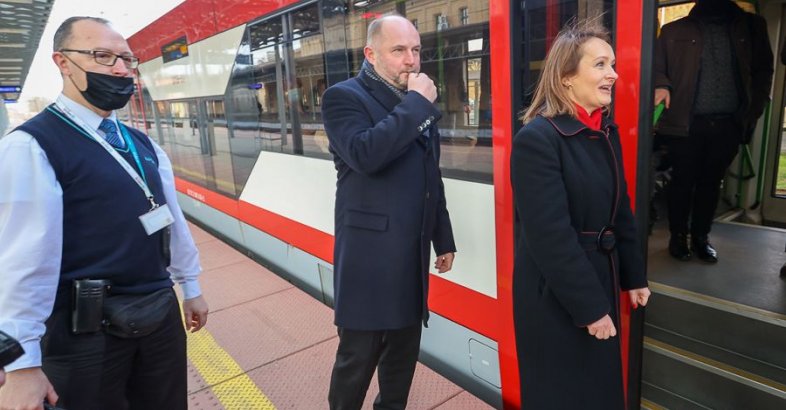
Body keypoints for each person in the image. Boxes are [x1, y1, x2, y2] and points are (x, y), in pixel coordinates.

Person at [0, 16, 208, 410]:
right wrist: (21, 362)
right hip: (83, 336)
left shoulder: (141, 142)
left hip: (158, 318)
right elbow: (22, 260)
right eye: (102, 56)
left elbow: (172, 219)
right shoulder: (31, 146)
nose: (120, 69)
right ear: (63, 62)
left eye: (127, 60)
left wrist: (191, 286)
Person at [511, 19, 651, 409]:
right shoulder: (537, 140)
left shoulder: (605, 132)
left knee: (598, 392)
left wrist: (633, 276)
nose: (614, 74)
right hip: (557, 297)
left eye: (613, 64)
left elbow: (620, 210)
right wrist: (590, 308)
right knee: (565, 393)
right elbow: (549, 236)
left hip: (595, 282)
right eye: (601, 65)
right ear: (567, 77)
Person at [321, 14, 456, 410]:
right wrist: (416, 104)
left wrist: (442, 238)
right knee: (356, 361)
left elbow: (433, 177)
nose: (411, 60)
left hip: (410, 257)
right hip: (369, 261)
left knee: (401, 359)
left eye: (415, 50)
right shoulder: (343, 97)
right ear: (371, 54)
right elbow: (366, 155)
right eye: (399, 50)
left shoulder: (417, 105)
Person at [654, 0, 773, 263]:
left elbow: (764, 71)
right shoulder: (674, 30)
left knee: (711, 184)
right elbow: (656, 67)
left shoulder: (752, 29)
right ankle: (678, 236)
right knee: (682, 182)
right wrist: (661, 85)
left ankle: (701, 237)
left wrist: (753, 110)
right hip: (685, 123)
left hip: (728, 123)